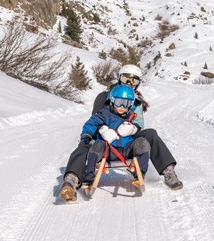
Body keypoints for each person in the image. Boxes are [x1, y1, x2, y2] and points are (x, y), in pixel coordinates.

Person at [60, 63, 182, 201]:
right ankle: (72, 179)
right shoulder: (104, 96)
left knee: (151, 134)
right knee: (84, 145)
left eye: (134, 80)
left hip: (127, 136)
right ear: (119, 78)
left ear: (138, 83)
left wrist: (134, 128)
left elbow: (140, 123)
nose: (130, 83)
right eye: (126, 79)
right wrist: (102, 130)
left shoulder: (137, 102)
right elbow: (96, 118)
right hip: (104, 136)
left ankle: (169, 172)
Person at [79, 83, 150, 186]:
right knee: (97, 144)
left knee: (142, 142)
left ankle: (140, 173)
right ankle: (89, 174)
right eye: (119, 102)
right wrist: (86, 135)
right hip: (108, 151)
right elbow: (91, 123)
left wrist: (134, 128)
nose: (122, 106)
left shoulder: (131, 117)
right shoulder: (104, 113)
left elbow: (138, 127)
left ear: (131, 104)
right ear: (112, 100)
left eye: (126, 103)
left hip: (126, 150)